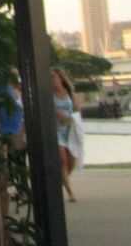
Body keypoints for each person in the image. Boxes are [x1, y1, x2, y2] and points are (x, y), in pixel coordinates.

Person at [52, 67, 83, 202]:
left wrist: (75, 116)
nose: (52, 79)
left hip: (70, 131)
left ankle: (61, 179)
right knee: (62, 160)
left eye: (53, 76)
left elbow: (77, 108)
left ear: (60, 78)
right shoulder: (49, 94)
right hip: (56, 130)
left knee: (71, 162)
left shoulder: (68, 92)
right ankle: (70, 192)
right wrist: (60, 115)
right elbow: (54, 111)